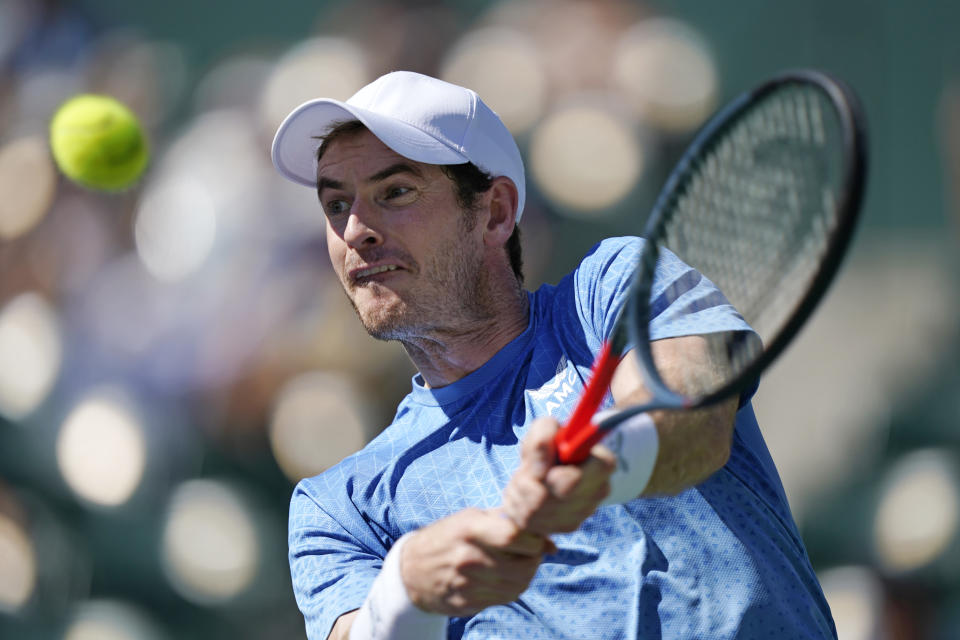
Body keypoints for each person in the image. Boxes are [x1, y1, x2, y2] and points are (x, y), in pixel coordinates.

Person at [271, 71, 836, 640]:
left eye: (395, 192)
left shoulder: (611, 287)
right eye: (336, 204)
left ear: (494, 212)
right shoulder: (339, 507)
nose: (356, 231)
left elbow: (693, 413)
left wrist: (604, 462)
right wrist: (407, 594)